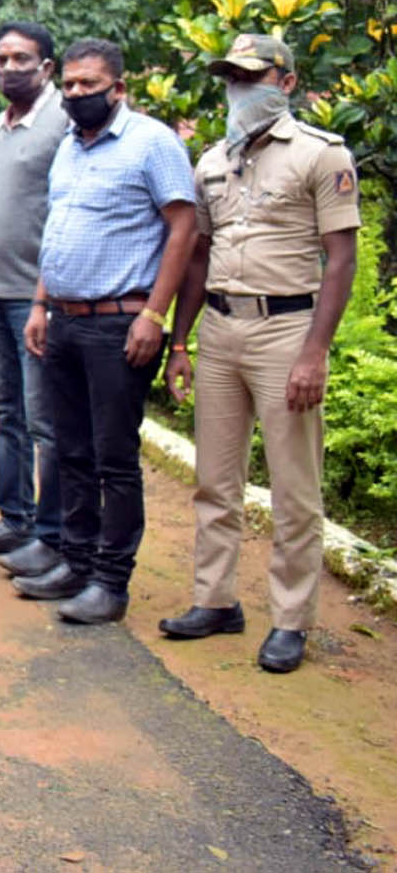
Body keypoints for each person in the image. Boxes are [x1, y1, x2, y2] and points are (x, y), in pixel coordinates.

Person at [160, 34, 361, 674]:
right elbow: (197, 257)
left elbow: (341, 259)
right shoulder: (212, 161)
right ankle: (215, 601)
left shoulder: (321, 155)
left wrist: (315, 353)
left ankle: (291, 619)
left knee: (293, 489)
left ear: (288, 82)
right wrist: (180, 342)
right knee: (215, 482)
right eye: (232, 78)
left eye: (254, 77)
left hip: (286, 331)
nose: (240, 89)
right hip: (219, 328)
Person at [20, 37, 196, 625]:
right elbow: (57, 232)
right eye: (69, 85)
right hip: (65, 317)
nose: (76, 95)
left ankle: (111, 582)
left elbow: (183, 229)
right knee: (69, 446)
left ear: (118, 88)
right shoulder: (68, 146)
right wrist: (41, 304)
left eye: (89, 86)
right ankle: (73, 559)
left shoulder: (153, 143)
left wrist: (154, 316)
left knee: (112, 456)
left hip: (120, 321)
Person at [0, 22, 66, 568]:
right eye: (1, 59)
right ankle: (15, 519)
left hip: (39, 298)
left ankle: (52, 535)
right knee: (7, 412)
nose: (8, 69)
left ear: (47, 67)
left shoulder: (62, 123)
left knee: (44, 419)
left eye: (21, 59)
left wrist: (46, 300)